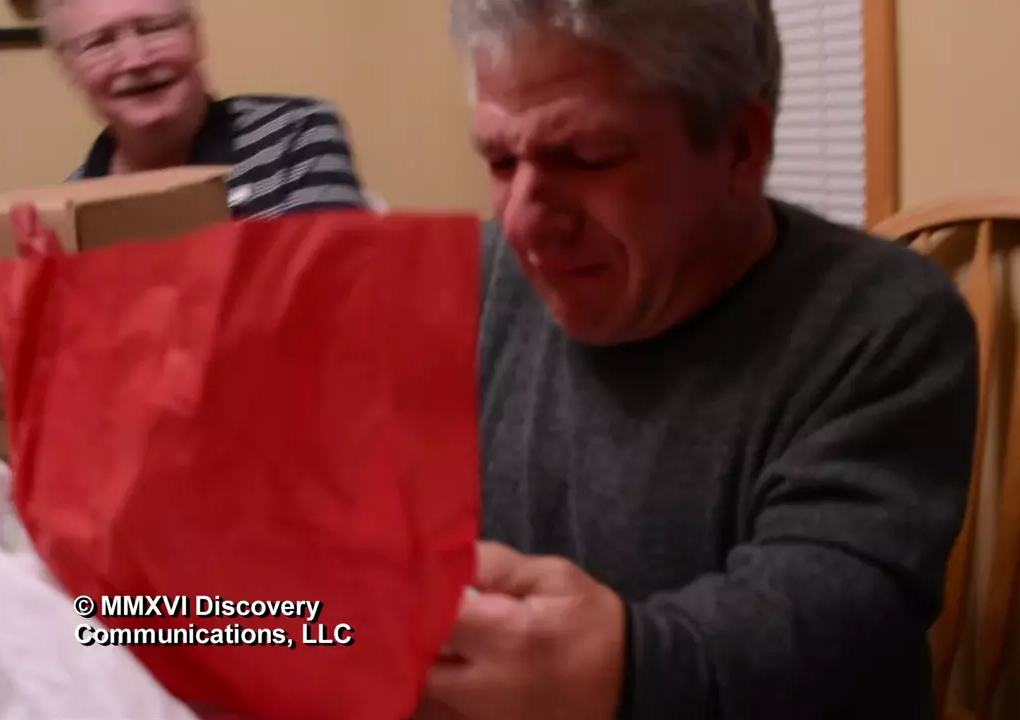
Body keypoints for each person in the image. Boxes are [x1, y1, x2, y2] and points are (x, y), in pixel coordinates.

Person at [419, 1, 980, 719]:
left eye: (586, 157)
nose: (525, 223)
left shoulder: (884, 323)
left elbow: (831, 625)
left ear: (740, 147)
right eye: (500, 160)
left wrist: (618, 671)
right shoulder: (467, 283)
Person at [42, 0, 381, 219]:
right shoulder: (64, 210)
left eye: (155, 29)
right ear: (70, 70)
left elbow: (331, 293)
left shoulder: (297, 134)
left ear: (196, 37)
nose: (136, 60)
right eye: (101, 42)